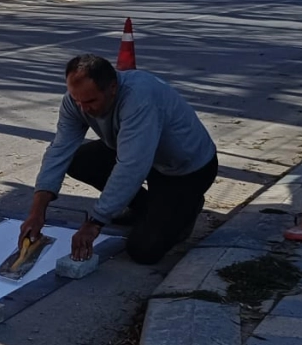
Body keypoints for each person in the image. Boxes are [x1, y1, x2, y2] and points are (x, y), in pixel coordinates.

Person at [22, 53, 218, 265]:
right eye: (76, 100)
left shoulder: (139, 99)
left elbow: (131, 166)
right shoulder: (76, 100)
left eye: (90, 101)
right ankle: (146, 208)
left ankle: (188, 206)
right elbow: (60, 150)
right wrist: (37, 211)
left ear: (112, 88)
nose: (83, 108)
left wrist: (95, 222)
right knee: (78, 160)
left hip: (184, 170)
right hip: (143, 156)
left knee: (144, 250)